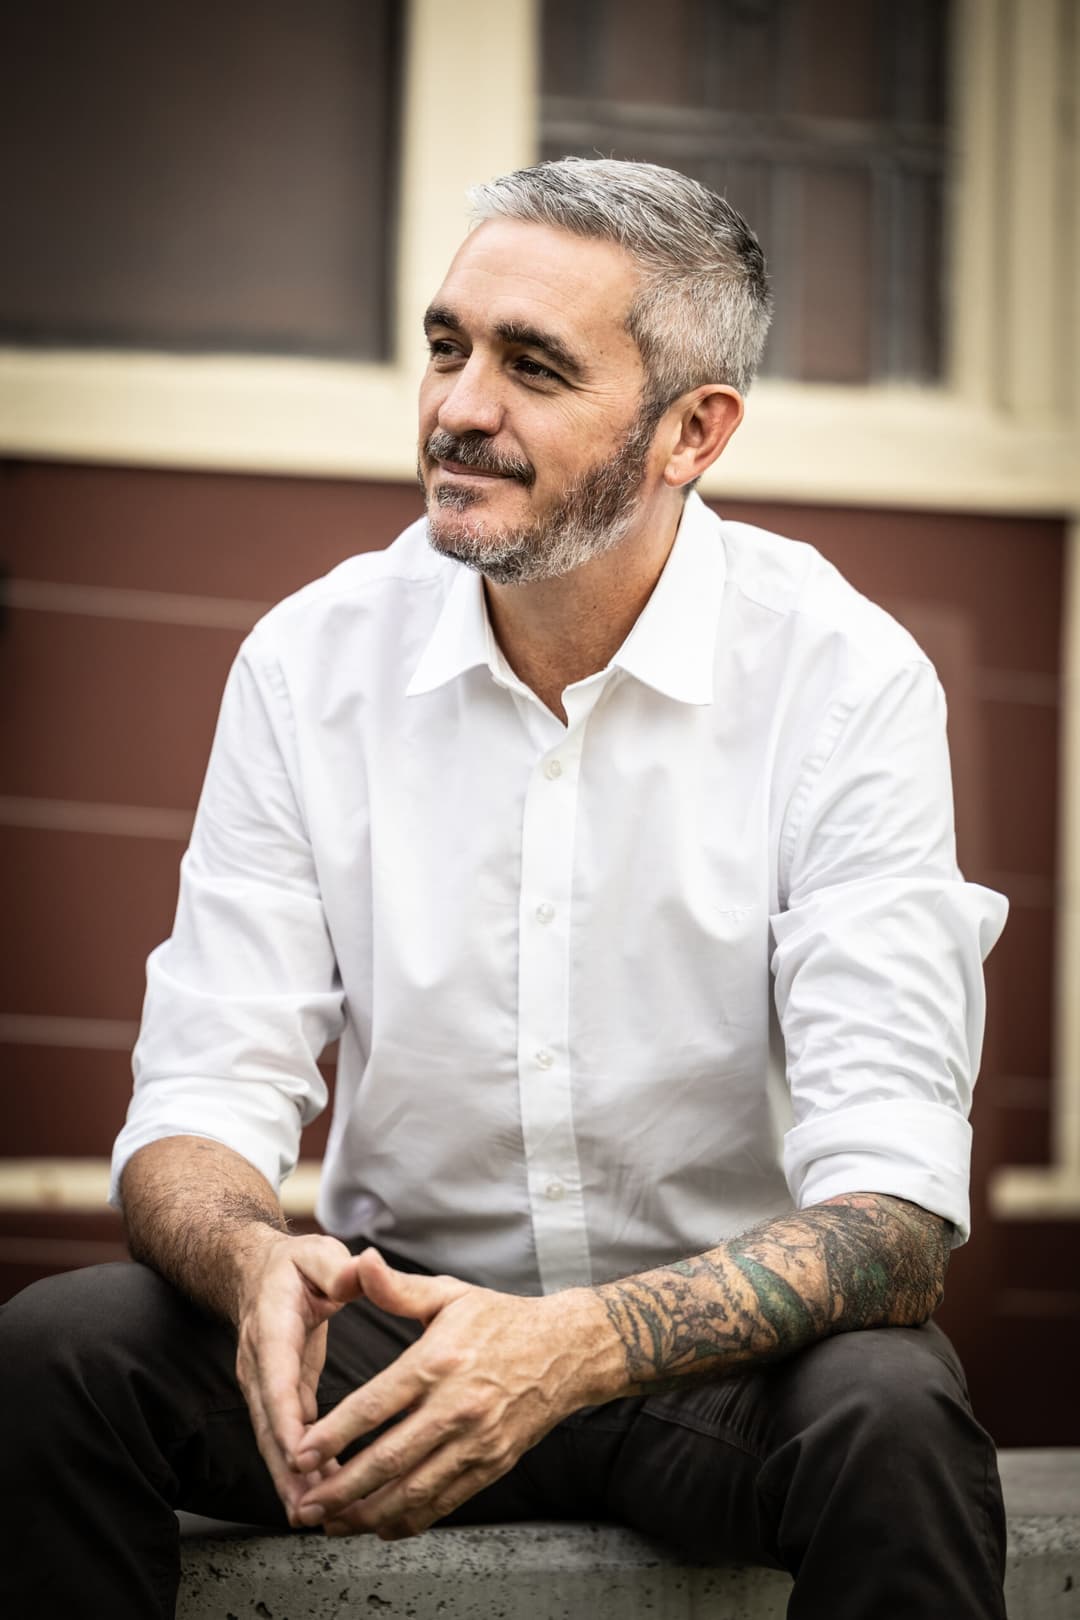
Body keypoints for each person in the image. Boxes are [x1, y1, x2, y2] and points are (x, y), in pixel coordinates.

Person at [0, 158, 1009, 1619]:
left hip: (714, 1365)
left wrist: (574, 1348)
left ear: (692, 432)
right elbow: (203, 1097)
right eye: (446, 345)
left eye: (533, 367)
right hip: (391, 1339)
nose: (459, 408)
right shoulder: (310, 662)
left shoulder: (844, 681)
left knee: (894, 1417)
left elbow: (894, 1216)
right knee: (58, 1352)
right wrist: (251, 1262)